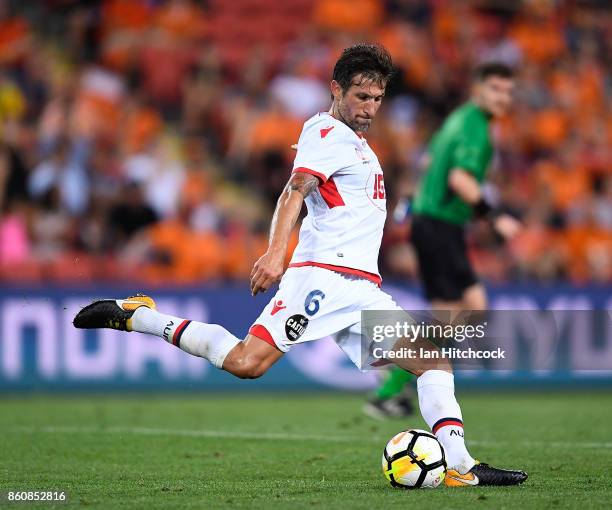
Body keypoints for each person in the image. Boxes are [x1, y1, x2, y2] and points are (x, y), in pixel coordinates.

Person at [73, 44, 527, 487]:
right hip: (322, 279)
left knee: (433, 364)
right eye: (361, 97)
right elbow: (295, 190)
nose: (370, 108)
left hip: (361, 288)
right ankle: (140, 316)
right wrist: (276, 251)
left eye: (377, 99)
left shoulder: (358, 144)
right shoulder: (325, 133)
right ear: (336, 88)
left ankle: (461, 465)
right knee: (246, 363)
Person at [367, 62, 521, 418]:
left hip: (437, 223)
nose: (503, 97)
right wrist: (495, 216)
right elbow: (458, 179)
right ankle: (395, 373)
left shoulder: (457, 120)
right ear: (478, 89)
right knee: (458, 310)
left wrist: (412, 204)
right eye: (496, 89)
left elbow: (429, 162)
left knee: (471, 307)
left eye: (508, 91)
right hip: (438, 224)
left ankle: (397, 370)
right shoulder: (475, 127)